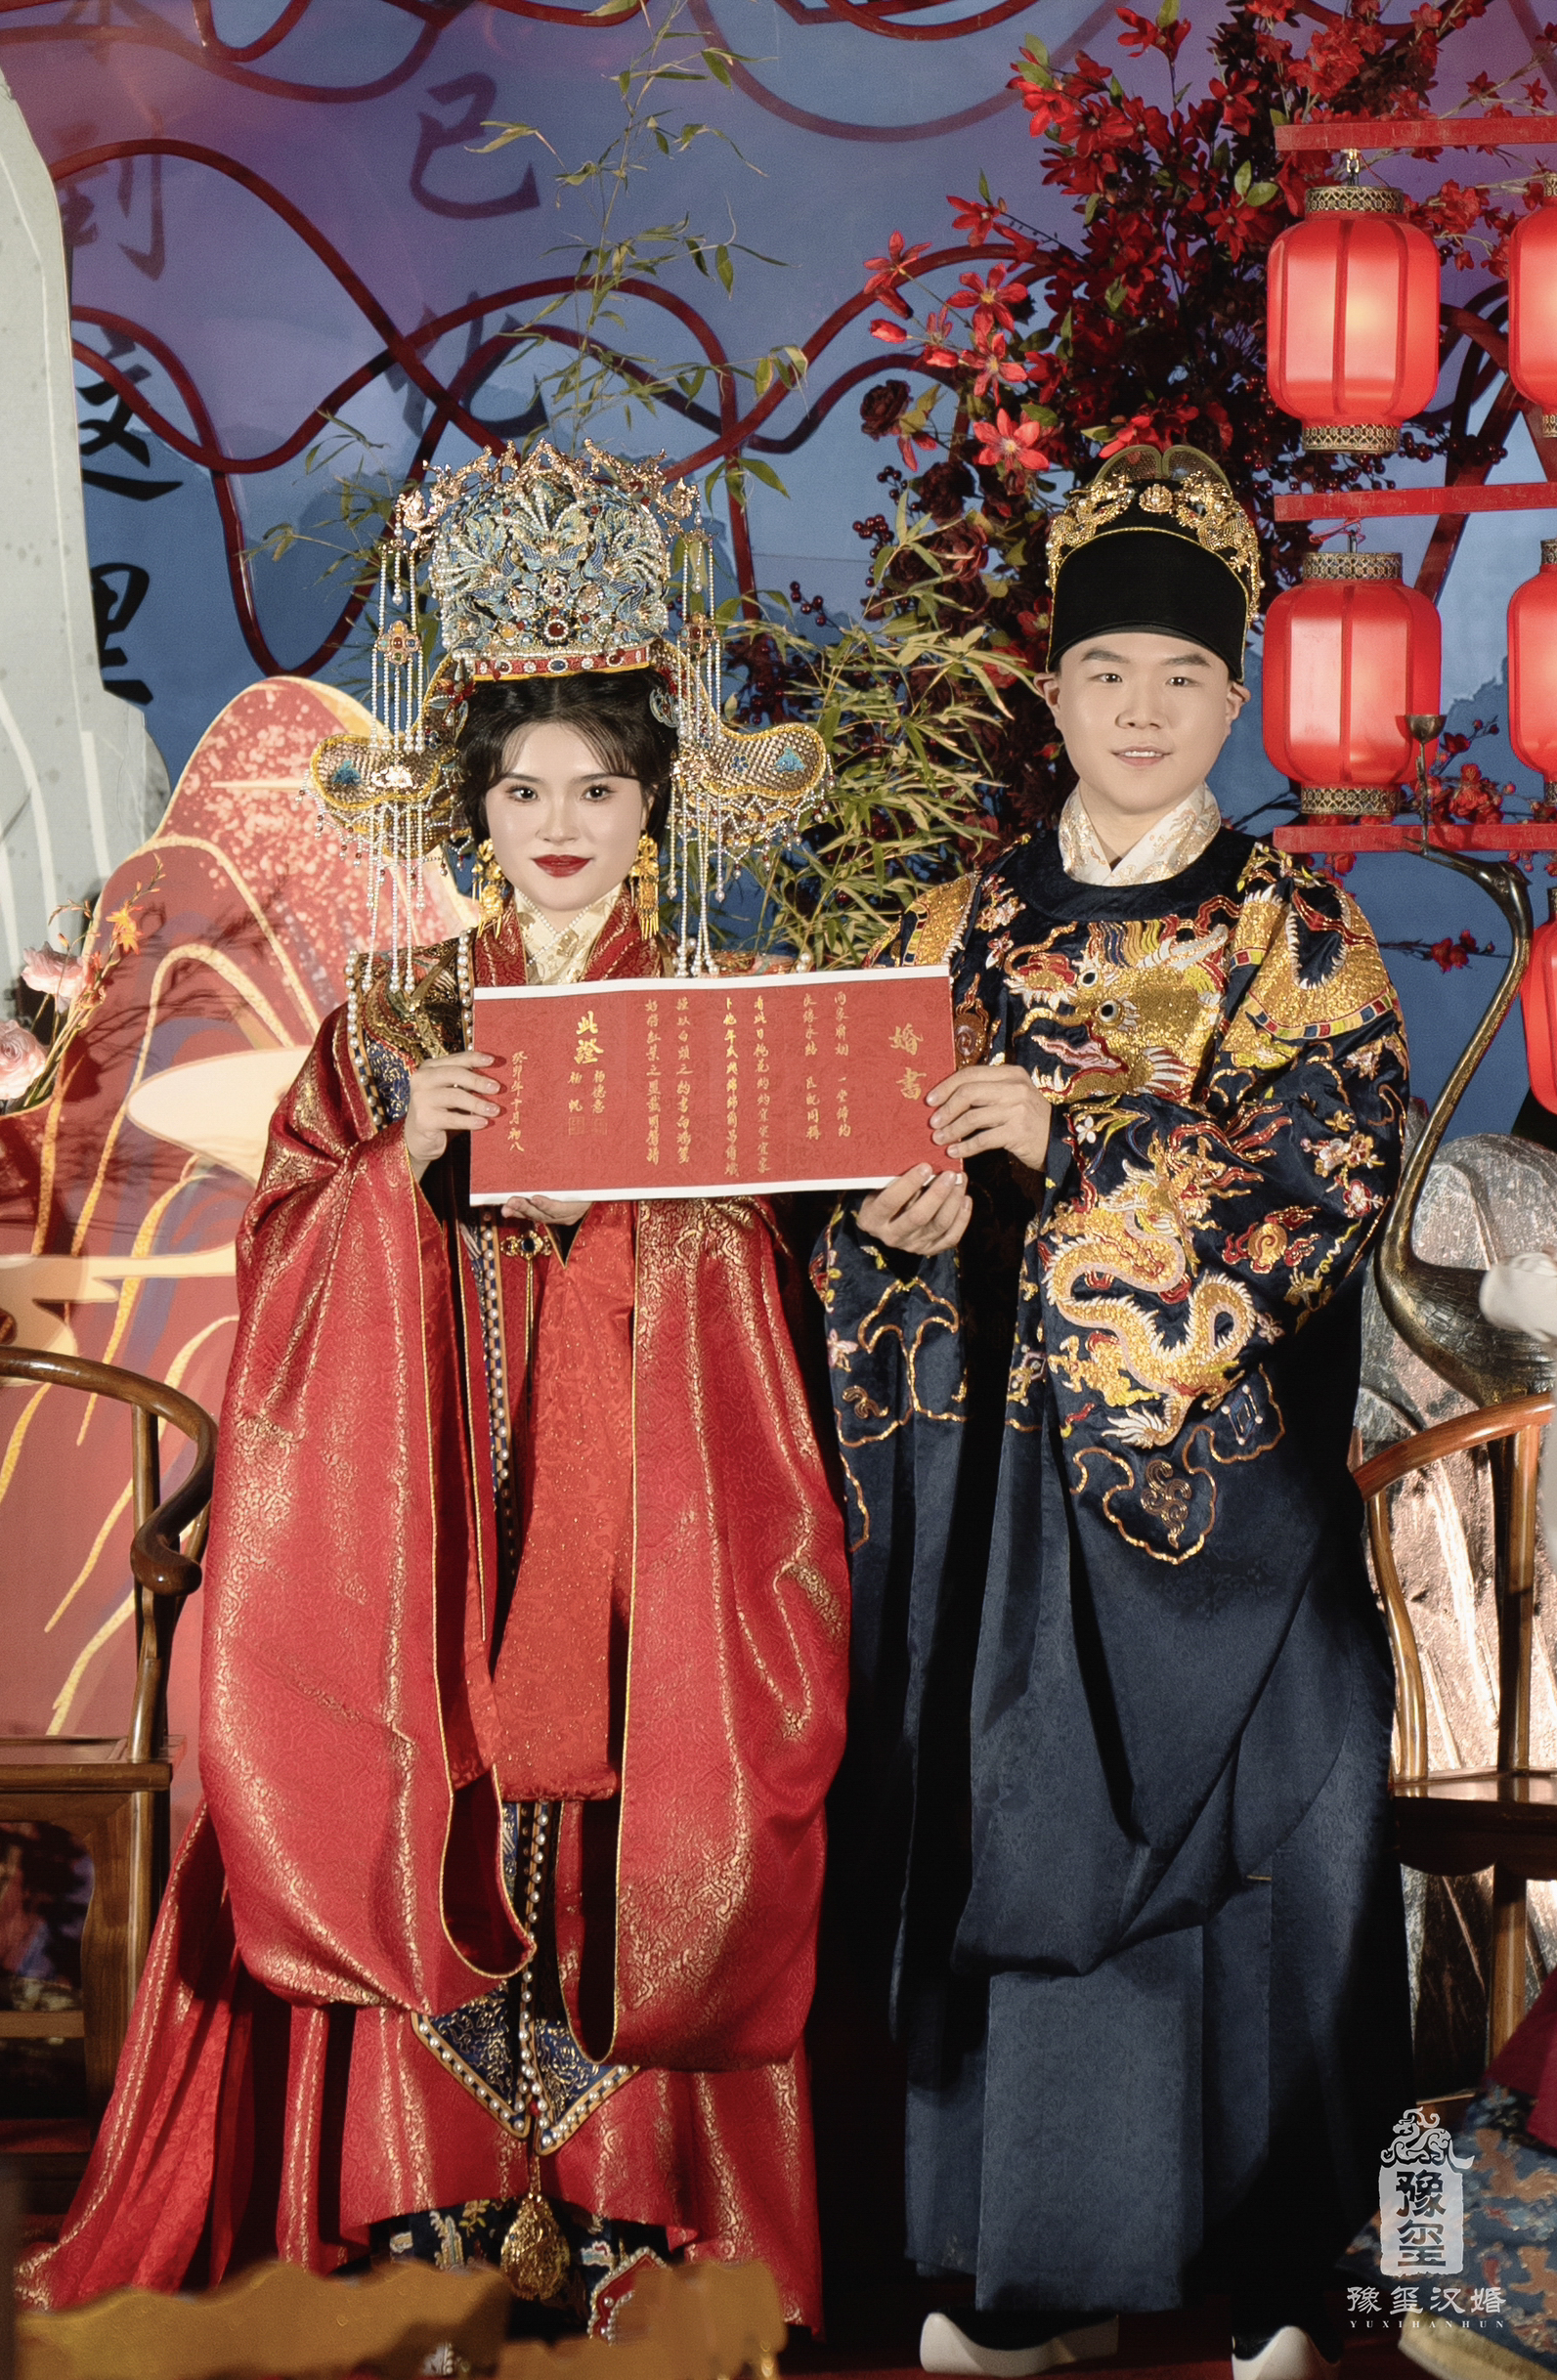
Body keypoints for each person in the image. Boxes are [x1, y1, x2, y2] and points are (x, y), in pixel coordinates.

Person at [24, 444, 850, 2330]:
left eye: (601, 789)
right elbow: (279, 1259)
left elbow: (789, 1290)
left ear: (655, 806)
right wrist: (405, 1165)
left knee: (646, 1775)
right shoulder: (387, 1019)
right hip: (432, 1503)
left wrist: (664, 1210)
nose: (561, 824)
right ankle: (429, 2188)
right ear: (473, 802)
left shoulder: (713, 1021)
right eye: (524, 787)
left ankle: (642, 2205)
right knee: (428, 1765)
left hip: (648, 1498)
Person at [817, 446, 1414, 2380]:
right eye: (1101, 677)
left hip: (1219, 1493)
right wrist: (896, 1219)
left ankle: (1273, 2277)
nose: (1138, 713)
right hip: (997, 1484)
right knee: (983, 1811)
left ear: (1232, 703)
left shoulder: (1295, 924)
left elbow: (1331, 1164)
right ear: (1051, 694)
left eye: (1177, 680)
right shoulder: (960, 918)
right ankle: (1021, 2278)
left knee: (1272, 1834)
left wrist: (1071, 1135)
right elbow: (862, 1171)